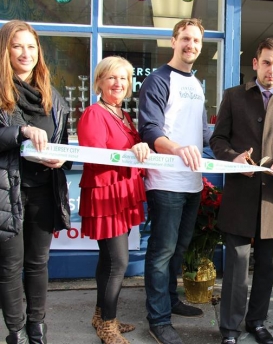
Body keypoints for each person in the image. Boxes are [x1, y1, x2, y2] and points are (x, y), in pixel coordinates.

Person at [210, 37, 273, 344]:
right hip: (240, 195)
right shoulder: (234, 96)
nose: (271, 69)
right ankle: (229, 330)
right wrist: (233, 158)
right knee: (237, 268)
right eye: (266, 62)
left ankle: (257, 321)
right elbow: (217, 140)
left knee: (267, 266)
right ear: (255, 63)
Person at [138, 18, 211, 344]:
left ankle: (169, 300)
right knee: (161, 252)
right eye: (185, 39)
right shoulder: (157, 80)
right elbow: (151, 130)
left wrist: (233, 151)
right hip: (166, 181)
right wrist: (177, 148)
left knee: (178, 249)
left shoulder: (196, 84)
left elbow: (204, 133)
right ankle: (158, 319)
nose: (191, 45)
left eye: (196, 40)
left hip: (193, 183)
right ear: (173, 41)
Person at [0, 20, 71, 344]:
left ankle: (36, 328)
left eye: (31, 46)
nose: (25, 53)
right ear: (6, 50)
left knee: (38, 263)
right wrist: (21, 132)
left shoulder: (52, 97)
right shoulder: (1, 92)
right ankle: (15, 331)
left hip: (44, 189)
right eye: (18, 46)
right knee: (10, 266)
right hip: (7, 191)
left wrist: (62, 159)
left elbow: (64, 145)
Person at [77, 56, 149, 344]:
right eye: (111, 78)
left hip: (123, 193)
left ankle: (101, 315)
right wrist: (133, 151)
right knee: (118, 262)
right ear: (99, 82)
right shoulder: (94, 114)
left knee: (108, 260)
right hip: (107, 194)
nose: (118, 83)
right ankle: (108, 324)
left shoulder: (124, 114)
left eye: (123, 78)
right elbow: (96, 159)